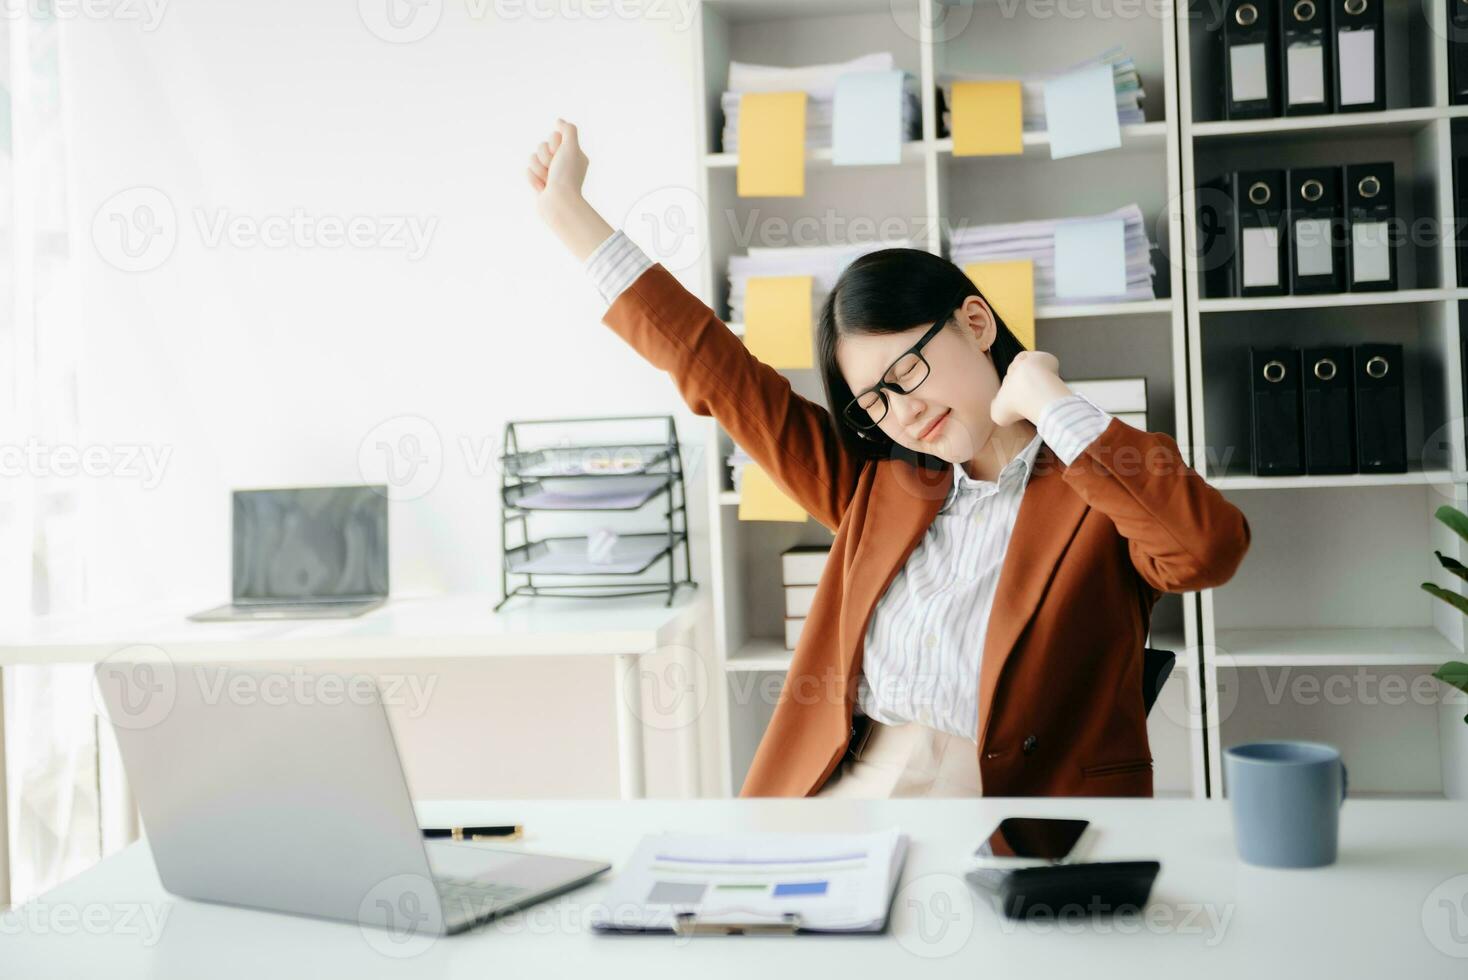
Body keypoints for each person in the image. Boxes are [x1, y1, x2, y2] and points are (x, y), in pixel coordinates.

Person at [527, 118, 1251, 799]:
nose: (901, 412)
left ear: (974, 323)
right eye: (874, 399)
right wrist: (573, 218)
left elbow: (1206, 551)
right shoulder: (878, 487)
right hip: (856, 785)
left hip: (1017, 811)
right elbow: (719, 373)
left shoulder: (1097, 481)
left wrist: (1053, 403)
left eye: (906, 372)